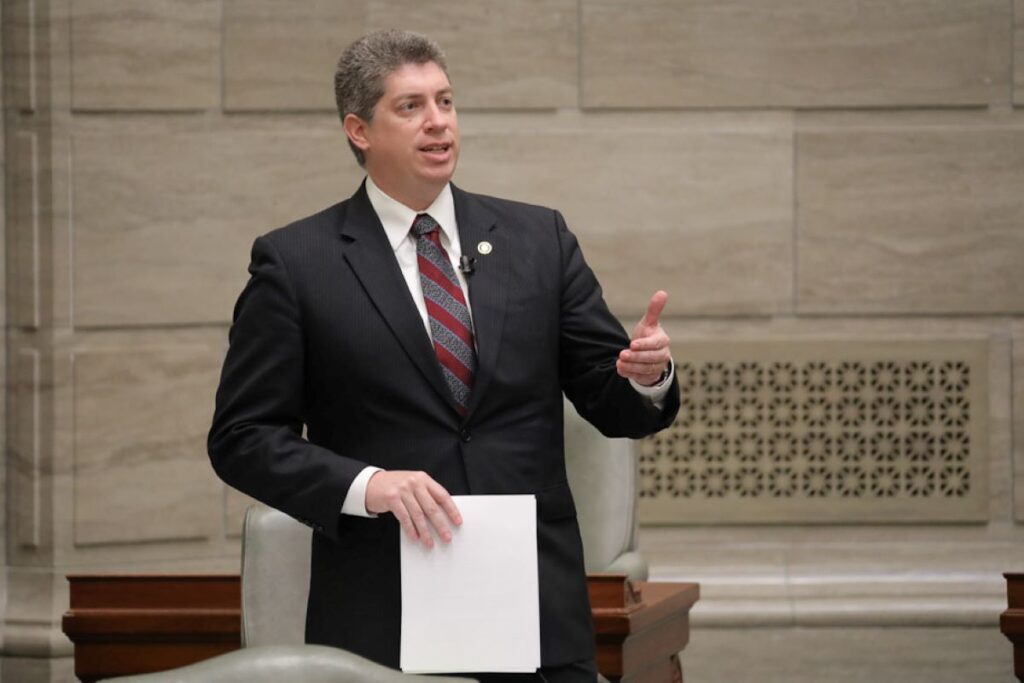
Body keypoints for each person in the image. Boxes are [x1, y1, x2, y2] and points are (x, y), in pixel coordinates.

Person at [208, 29, 679, 683]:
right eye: (410, 106)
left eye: (446, 102)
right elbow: (242, 438)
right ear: (359, 129)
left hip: (536, 612)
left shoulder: (537, 239)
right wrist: (367, 485)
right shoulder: (297, 264)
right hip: (381, 617)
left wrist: (647, 376)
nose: (438, 123)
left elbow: (615, 402)